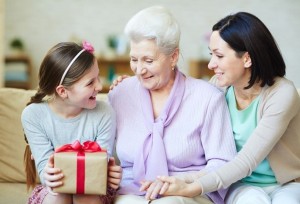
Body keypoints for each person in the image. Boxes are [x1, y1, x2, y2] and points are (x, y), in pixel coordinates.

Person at [147, 12, 300, 204]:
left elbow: (246, 161)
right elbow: (178, 103)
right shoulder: (217, 88)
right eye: (212, 55)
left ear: (247, 59)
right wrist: (137, 87)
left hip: (285, 185)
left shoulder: (282, 93)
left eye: (219, 56)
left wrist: (190, 188)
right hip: (238, 184)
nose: (211, 64)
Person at [108, 6, 237, 204]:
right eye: (134, 59)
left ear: (174, 57)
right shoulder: (119, 94)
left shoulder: (208, 98)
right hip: (130, 191)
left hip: (188, 193)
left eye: (149, 60)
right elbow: (102, 150)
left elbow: (223, 163)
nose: (139, 70)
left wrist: (184, 183)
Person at [22, 41, 122, 204]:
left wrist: (108, 173)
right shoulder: (33, 115)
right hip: (54, 189)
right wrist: (49, 174)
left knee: (85, 195)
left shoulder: (105, 112)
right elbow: (47, 174)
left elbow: (98, 173)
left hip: (95, 189)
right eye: (90, 82)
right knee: (58, 196)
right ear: (62, 91)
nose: (99, 86)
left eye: (98, 77)